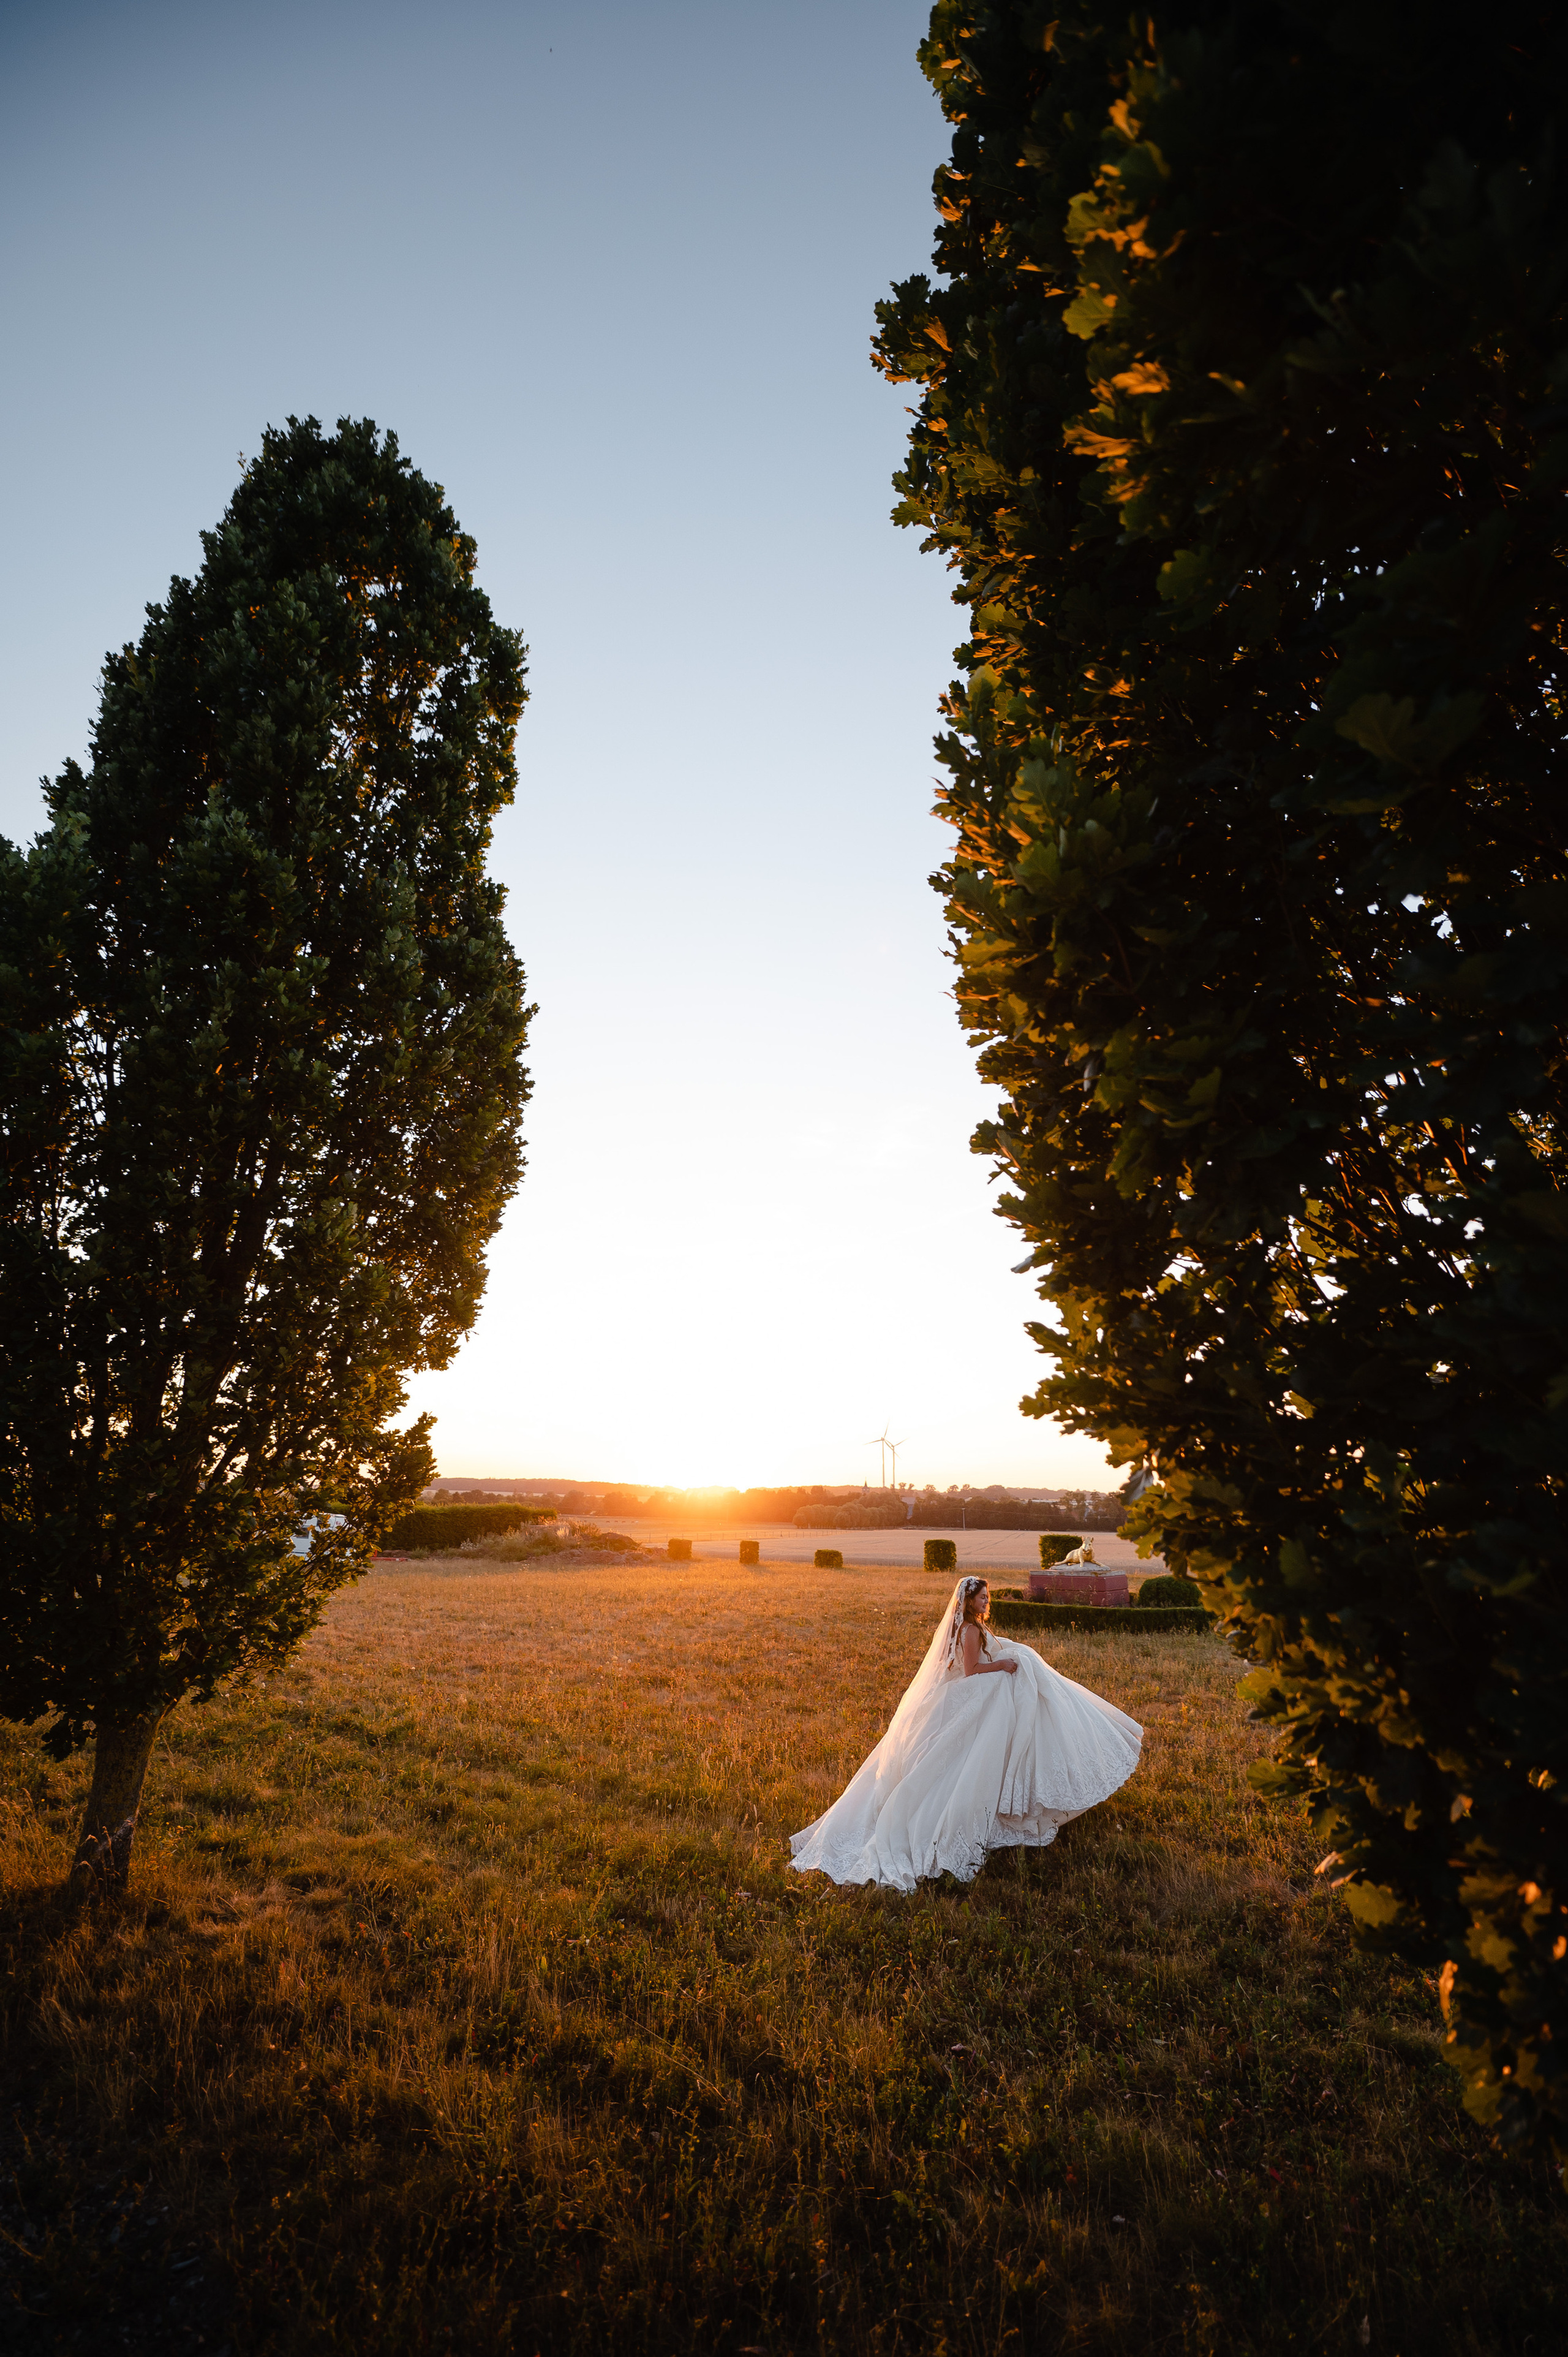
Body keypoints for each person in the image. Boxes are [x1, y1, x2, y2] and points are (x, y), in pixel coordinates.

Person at [789, 1575, 1142, 1891]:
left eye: (988, 1597)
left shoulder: (970, 1627)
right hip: (975, 1687)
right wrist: (1002, 1664)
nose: (988, 1602)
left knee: (1027, 1670)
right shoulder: (970, 1630)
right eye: (983, 1598)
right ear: (969, 1601)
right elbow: (972, 1669)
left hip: (969, 1685)